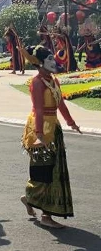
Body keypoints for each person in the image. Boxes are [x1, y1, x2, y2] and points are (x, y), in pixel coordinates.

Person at [19, 45, 81, 228]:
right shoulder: (36, 82)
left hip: (54, 127)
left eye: (53, 59)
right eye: (50, 60)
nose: (54, 62)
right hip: (40, 128)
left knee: (54, 171)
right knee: (43, 170)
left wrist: (71, 122)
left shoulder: (54, 81)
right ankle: (41, 210)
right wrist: (39, 134)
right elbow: (38, 109)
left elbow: (61, 104)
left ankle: (33, 202)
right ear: (39, 63)